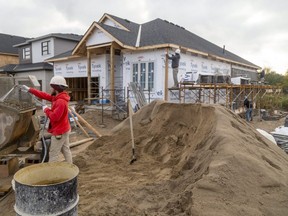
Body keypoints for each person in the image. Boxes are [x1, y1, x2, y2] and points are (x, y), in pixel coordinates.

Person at [20, 75, 73, 163]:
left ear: (55, 88)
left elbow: (55, 117)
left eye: (52, 87)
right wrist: (30, 90)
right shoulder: (58, 97)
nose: (50, 89)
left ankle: (52, 175)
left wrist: (46, 110)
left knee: (53, 154)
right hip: (64, 129)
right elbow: (44, 95)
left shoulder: (60, 101)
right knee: (66, 150)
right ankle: (71, 168)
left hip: (59, 132)